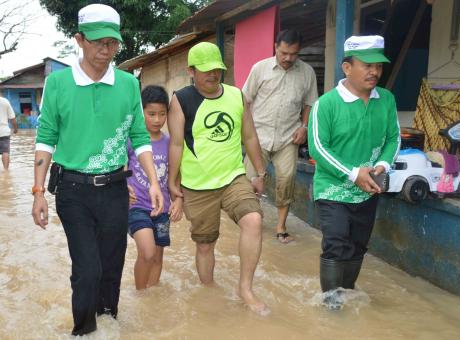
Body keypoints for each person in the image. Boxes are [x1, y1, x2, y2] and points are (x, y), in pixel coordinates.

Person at [30, 4, 164, 336]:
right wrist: (37, 192)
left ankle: (109, 324)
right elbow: (46, 138)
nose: (106, 50)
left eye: (112, 43)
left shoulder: (128, 84)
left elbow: (138, 135)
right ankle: (83, 331)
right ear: (79, 39)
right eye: (98, 42)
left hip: (117, 190)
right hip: (73, 191)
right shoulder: (58, 84)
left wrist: (155, 182)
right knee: (87, 270)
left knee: (112, 266)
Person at [167, 42, 270, 315]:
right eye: (206, 70)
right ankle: (208, 291)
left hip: (233, 177)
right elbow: (176, 144)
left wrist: (260, 173)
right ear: (191, 71)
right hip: (197, 185)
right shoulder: (181, 99)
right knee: (204, 244)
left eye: (217, 70)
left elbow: (249, 136)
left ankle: (245, 289)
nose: (213, 75)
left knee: (254, 220)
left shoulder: (237, 96)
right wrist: (171, 182)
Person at [307, 35, 400, 309]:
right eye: (367, 65)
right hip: (333, 189)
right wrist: (353, 174)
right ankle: (331, 305)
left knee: (358, 245)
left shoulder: (387, 100)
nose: (374, 72)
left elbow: (393, 138)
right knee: (336, 244)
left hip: (368, 188)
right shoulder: (326, 104)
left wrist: (382, 166)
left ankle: (347, 292)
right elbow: (318, 149)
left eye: (379, 67)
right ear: (347, 68)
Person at [242, 29, 318, 244]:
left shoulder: (307, 72)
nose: (288, 58)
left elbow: (309, 103)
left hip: (288, 137)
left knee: (287, 181)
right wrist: (245, 130)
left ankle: (281, 227)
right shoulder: (260, 68)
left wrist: (304, 127)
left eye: (293, 54)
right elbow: (246, 100)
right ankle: (253, 221)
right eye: (284, 52)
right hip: (258, 135)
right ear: (276, 46)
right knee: (251, 181)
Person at [127, 85, 183, 290]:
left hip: (162, 209)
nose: (157, 119)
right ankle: (140, 293)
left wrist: (179, 200)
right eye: (151, 114)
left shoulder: (171, 143)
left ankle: (151, 297)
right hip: (137, 207)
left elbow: (177, 176)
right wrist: (124, 188)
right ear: (141, 112)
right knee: (148, 252)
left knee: (158, 257)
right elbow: (121, 167)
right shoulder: (132, 140)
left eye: (162, 114)